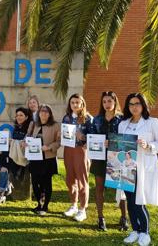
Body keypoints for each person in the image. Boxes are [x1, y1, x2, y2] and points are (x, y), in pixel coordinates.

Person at [119, 93, 158, 246]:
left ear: (143, 105)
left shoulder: (152, 122)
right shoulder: (123, 124)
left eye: (137, 103)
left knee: (139, 201)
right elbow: (120, 145)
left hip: (143, 166)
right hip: (127, 168)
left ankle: (145, 232)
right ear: (127, 106)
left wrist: (149, 145)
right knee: (130, 201)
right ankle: (135, 230)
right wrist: (112, 144)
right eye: (131, 104)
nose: (134, 107)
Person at [89, 91, 128, 231]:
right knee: (99, 189)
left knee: (121, 188)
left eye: (109, 101)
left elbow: (126, 139)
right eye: (104, 101)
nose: (107, 104)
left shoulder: (123, 119)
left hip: (117, 158)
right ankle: (101, 218)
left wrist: (112, 143)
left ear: (115, 101)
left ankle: (124, 218)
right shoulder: (97, 119)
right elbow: (92, 137)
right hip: (100, 159)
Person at [62, 93, 92, 222]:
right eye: (72, 102)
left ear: (82, 104)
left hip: (81, 151)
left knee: (82, 179)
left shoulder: (88, 118)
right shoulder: (66, 118)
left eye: (77, 102)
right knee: (70, 179)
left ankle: (82, 209)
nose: (75, 104)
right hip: (68, 150)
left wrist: (84, 138)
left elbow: (95, 137)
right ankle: (73, 205)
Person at [26, 104, 60, 215]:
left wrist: (49, 147)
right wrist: (24, 142)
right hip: (35, 158)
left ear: (50, 114)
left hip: (48, 158)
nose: (44, 113)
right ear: (39, 113)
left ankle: (45, 206)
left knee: (46, 183)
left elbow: (59, 142)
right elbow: (28, 136)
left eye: (46, 111)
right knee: (35, 182)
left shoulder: (55, 125)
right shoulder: (34, 124)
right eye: (41, 111)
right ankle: (39, 204)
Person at [0, 107, 31, 206]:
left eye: (21, 115)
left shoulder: (29, 128)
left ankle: (2, 194)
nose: (18, 117)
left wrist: (14, 142)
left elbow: (26, 143)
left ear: (26, 117)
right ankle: (6, 186)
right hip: (12, 154)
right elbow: (14, 143)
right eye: (17, 115)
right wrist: (10, 141)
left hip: (20, 158)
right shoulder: (16, 127)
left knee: (4, 169)